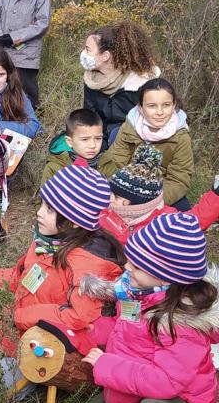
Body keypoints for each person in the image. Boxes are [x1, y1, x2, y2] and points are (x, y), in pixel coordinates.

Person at [78, 213, 219, 403]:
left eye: (138, 265)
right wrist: (91, 333)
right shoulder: (140, 291)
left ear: (168, 276)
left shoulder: (183, 325)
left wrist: (106, 366)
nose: (128, 266)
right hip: (139, 375)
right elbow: (125, 329)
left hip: (175, 397)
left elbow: (165, 382)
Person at [0, 165, 124, 390]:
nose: (39, 212)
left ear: (73, 221)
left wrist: (24, 315)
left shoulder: (88, 267)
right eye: (42, 204)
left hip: (47, 345)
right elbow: (24, 275)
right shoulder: (47, 241)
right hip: (15, 324)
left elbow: (78, 317)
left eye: (49, 209)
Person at [101, 145, 219, 244]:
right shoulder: (104, 212)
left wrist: (216, 196)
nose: (109, 197)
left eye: (114, 195)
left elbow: (193, 221)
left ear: (125, 202)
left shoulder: (162, 221)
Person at [105, 78, 193, 209]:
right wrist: (119, 192)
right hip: (126, 184)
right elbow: (115, 161)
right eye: (152, 106)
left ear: (174, 105)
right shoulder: (129, 127)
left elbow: (178, 180)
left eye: (166, 105)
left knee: (184, 211)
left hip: (157, 191)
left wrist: (151, 202)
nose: (160, 112)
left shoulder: (181, 137)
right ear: (140, 108)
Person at [81, 21, 161, 146]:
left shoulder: (142, 84)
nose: (84, 54)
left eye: (88, 50)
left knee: (117, 134)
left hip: (134, 146)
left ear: (105, 56)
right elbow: (90, 119)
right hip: (100, 144)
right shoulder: (91, 80)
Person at [41, 108, 113, 184]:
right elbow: (47, 195)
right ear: (69, 142)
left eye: (98, 138)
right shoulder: (54, 167)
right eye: (85, 139)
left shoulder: (108, 163)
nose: (93, 145)